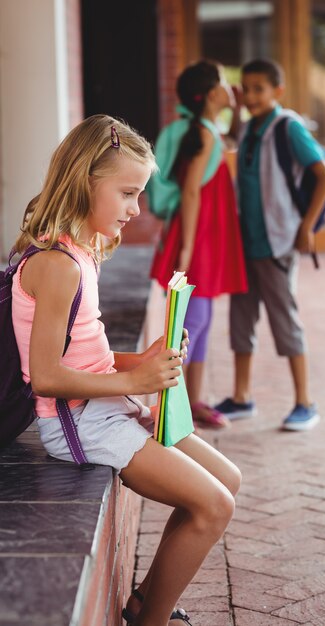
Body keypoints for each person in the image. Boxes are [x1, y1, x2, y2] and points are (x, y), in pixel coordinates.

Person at [11, 114, 241, 626]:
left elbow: (88, 354)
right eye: (128, 193)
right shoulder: (56, 265)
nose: (137, 209)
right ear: (85, 181)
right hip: (78, 423)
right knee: (213, 506)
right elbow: (46, 377)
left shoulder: (82, 252)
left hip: (108, 403)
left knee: (227, 478)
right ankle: (150, 618)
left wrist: (146, 358)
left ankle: (144, 601)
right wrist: (135, 382)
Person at [215, 59, 325, 431]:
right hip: (245, 243)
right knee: (241, 321)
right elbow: (234, 138)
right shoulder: (251, 127)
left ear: (277, 91)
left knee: (285, 320)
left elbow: (324, 175)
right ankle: (242, 396)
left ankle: (305, 402)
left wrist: (307, 226)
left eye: (258, 89)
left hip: (278, 240)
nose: (250, 96)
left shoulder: (289, 127)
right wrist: (234, 108)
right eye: (245, 89)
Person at [150, 60, 248, 429]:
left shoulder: (208, 129)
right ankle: (172, 406)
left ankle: (191, 401)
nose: (230, 90)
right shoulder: (204, 134)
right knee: (194, 319)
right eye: (224, 83)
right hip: (198, 236)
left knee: (201, 320)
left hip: (205, 234)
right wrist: (188, 249)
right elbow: (191, 191)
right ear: (210, 95)